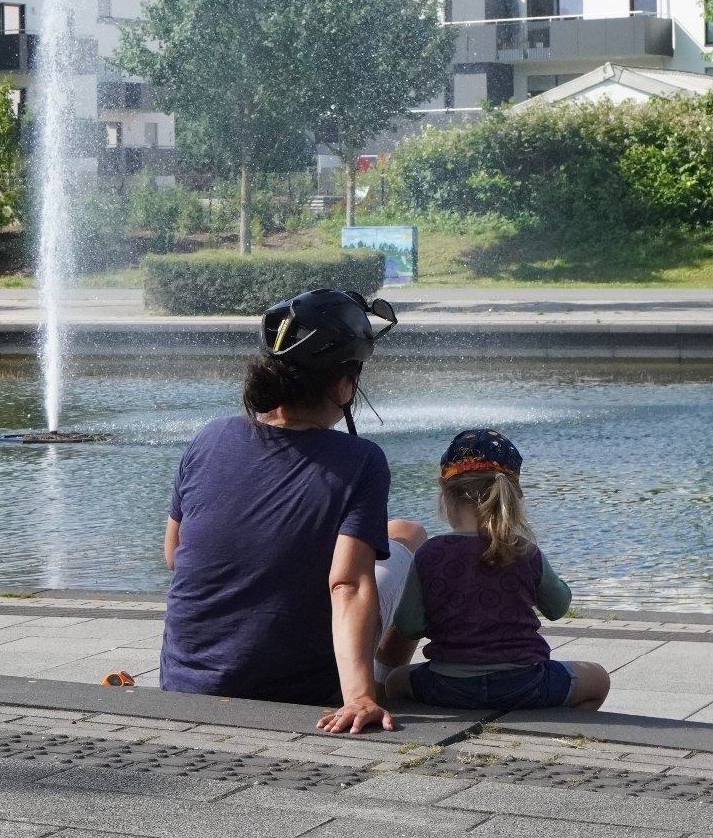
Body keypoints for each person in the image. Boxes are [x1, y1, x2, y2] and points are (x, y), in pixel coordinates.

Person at [161, 289, 426, 735]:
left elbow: (176, 555)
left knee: (392, 530)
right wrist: (356, 696)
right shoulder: (361, 460)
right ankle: (378, 681)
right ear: (343, 384)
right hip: (300, 688)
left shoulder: (210, 437)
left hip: (186, 683)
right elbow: (347, 583)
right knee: (412, 536)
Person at [383, 428, 611, 711]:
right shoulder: (524, 550)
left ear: (444, 489)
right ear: (512, 494)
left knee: (394, 681)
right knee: (598, 678)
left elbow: (409, 625)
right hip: (527, 683)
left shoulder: (431, 553)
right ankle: (548, 723)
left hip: (447, 685)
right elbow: (558, 607)